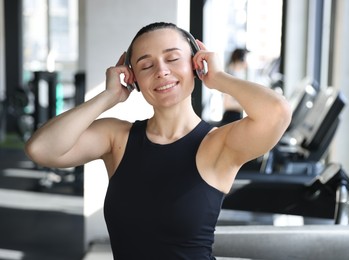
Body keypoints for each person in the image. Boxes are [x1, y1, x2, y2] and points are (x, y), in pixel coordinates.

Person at [25, 22, 292, 259]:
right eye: (146, 65)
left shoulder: (219, 144)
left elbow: (277, 112)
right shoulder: (117, 138)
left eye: (173, 59)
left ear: (196, 65)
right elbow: (41, 148)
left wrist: (219, 78)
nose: (161, 71)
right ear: (135, 80)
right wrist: (108, 97)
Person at [220, 48, 249, 125]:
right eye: (246, 59)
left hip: (235, 117)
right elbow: (227, 104)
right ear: (241, 59)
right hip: (230, 118)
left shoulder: (237, 76)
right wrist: (246, 105)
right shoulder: (231, 76)